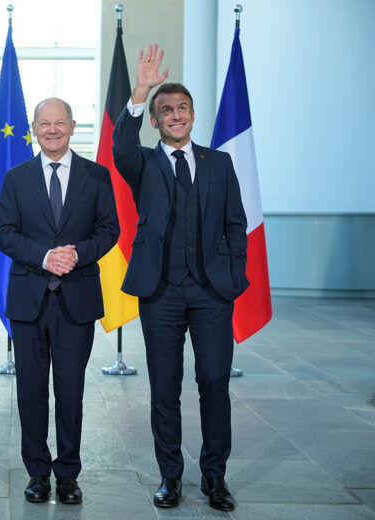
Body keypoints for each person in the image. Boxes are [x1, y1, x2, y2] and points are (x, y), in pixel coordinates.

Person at [112, 44, 248, 512]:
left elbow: (236, 224)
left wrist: (234, 275)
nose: (175, 115)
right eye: (165, 110)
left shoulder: (219, 163)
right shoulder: (142, 164)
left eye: (182, 108)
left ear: (192, 116)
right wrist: (140, 92)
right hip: (160, 291)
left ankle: (215, 477)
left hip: (212, 292)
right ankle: (170, 476)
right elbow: (120, 147)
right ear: (155, 120)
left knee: (213, 381)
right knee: (164, 387)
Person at [0, 98, 120, 505]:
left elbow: (109, 230)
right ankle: (37, 472)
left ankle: (68, 473)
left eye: (59, 123)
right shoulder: (17, 177)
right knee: (31, 390)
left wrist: (77, 254)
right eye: (44, 123)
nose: (52, 129)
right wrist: (45, 256)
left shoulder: (97, 176)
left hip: (76, 300)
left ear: (72, 126)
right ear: (33, 128)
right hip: (29, 298)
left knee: (70, 390)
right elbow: (4, 232)